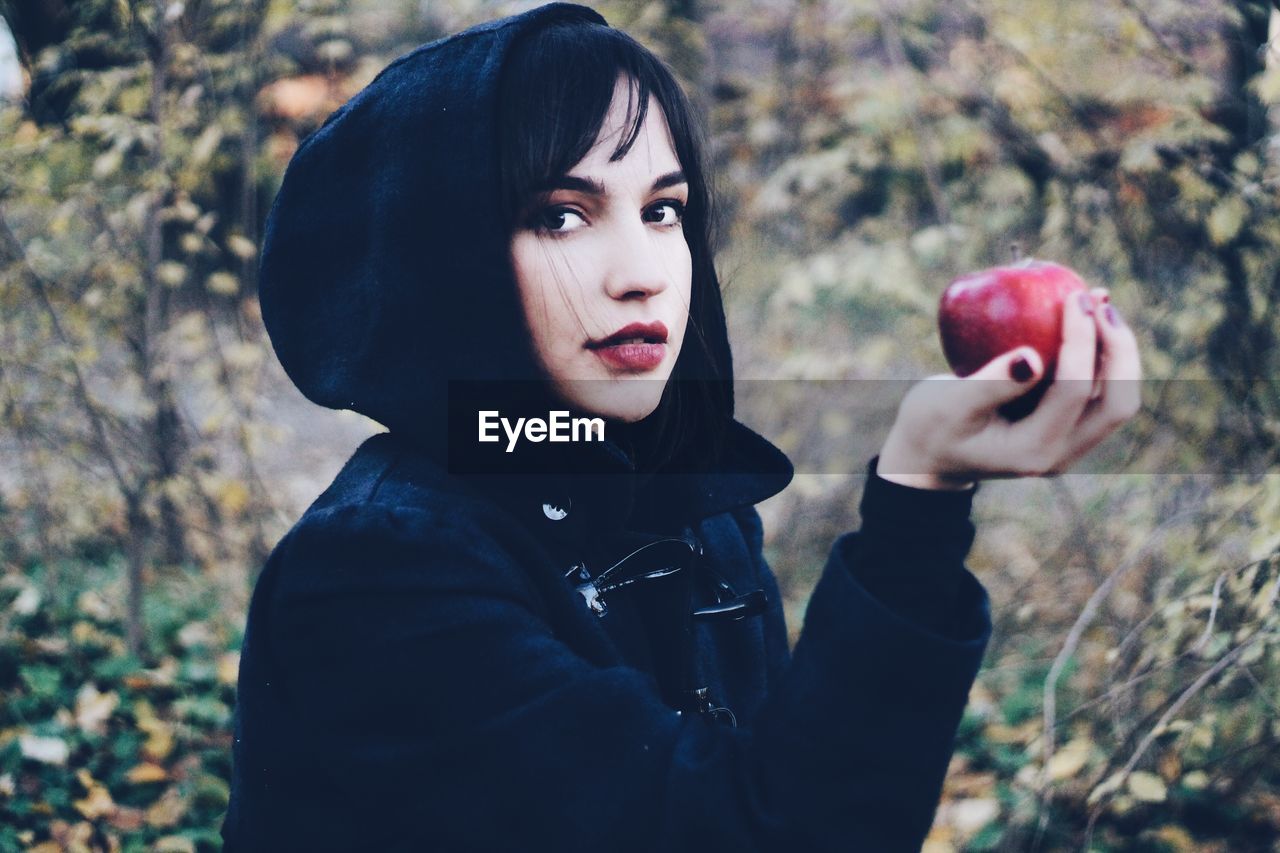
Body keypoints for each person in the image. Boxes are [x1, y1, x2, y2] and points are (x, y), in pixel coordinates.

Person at [221, 3, 1142, 850]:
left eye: (664, 210)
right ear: (444, 259)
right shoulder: (378, 571)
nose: (644, 270)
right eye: (561, 216)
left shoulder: (685, 506)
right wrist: (917, 507)